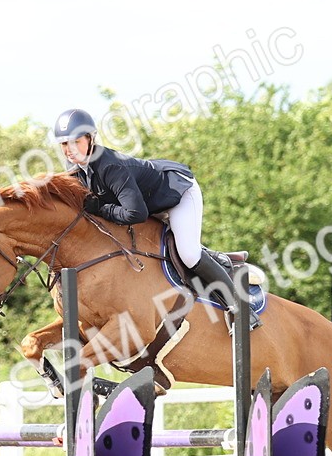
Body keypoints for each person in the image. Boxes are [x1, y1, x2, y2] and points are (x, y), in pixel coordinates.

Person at [53, 108, 257, 330]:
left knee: (188, 255)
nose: (69, 150)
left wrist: (102, 209)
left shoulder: (109, 166)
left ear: (90, 139)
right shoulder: (74, 168)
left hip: (176, 193)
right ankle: (216, 258)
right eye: (64, 144)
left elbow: (135, 214)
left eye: (75, 142)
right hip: (147, 200)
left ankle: (240, 307)